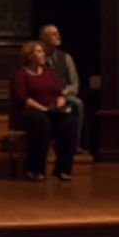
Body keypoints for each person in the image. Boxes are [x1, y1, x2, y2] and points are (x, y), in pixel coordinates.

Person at [9, 39, 78, 182]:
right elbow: (23, 98)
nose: (43, 54)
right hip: (29, 112)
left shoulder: (48, 73)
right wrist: (43, 109)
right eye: (39, 51)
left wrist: (61, 100)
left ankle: (63, 169)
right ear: (29, 56)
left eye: (43, 51)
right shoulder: (20, 74)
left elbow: (58, 92)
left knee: (69, 122)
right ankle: (35, 168)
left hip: (50, 111)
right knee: (42, 122)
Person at [40, 24, 85, 152]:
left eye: (58, 33)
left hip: (64, 94)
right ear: (44, 38)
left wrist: (65, 93)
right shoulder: (38, 57)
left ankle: (74, 144)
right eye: (53, 34)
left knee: (77, 103)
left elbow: (75, 83)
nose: (58, 37)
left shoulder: (66, 58)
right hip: (46, 94)